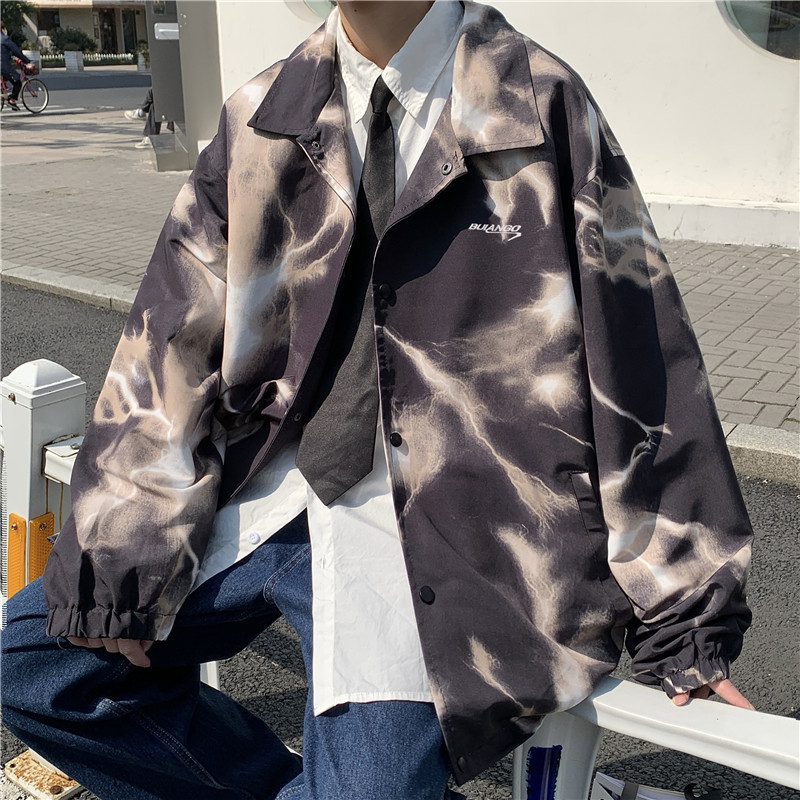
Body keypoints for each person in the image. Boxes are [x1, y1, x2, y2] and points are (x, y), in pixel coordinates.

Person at [2, 2, 755, 798]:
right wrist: (120, 554)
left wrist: (686, 612)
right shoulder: (266, 114)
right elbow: (171, 339)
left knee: (369, 787)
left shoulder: (535, 104)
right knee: (37, 667)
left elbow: (637, 354)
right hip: (272, 492)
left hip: (459, 521)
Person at [1, 20, 31, 111]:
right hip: (4, 66)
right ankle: (12, 100)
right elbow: (16, 51)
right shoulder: (5, 39)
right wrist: (27, 61)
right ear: (3, 29)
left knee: (6, 79)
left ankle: (4, 91)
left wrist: (11, 57)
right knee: (18, 81)